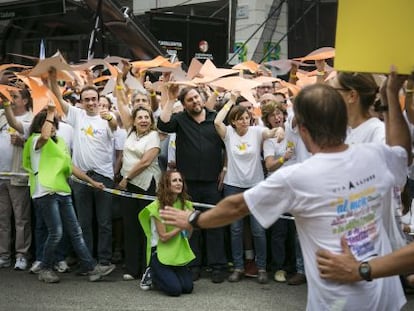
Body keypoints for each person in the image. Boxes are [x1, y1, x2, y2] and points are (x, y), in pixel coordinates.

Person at [159, 70, 412, 310]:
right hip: (385, 296)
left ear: (302, 130)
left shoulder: (297, 177)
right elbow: (402, 152)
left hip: (339, 301)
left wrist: (194, 218)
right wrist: (391, 94)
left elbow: (237, 205)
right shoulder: (377, 155)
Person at [22, 105, 115, 283]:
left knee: (76, 231)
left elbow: (71, 167)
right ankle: (46, 268)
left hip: (62, 191)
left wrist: (92, 182)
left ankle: (91, 268)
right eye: (49, 124)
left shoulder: (60, 143)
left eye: (55, 124)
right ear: (40, 126)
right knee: (56, 232)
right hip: (45, 192)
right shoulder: (35, 141)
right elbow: (44, 136)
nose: (53, 127)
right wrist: (50, 113)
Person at [157, 85, 228, 283]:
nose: (195, 101)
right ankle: (194, 264)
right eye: (190, 100)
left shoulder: (216, 118)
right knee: (190, 225)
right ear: (184, 104)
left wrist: (225, 169)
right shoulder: (180, 120)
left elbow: (228, 146)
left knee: (214, 224)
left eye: (197, 97)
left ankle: (217, 266)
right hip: (188, 184)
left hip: (212, 182)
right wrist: (170, 100)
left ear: (202, 97)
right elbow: (162, 125)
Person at [48, 67, 117, 268]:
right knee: (83, 223)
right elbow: (58, 99)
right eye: (86, 99)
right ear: (81, 101)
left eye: (93, 99)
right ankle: (88, 262)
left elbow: (115, 129)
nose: (90, 103)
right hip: (80, 177)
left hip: (104, 176)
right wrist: (53, 80)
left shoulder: (107, 117)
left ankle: (104, 260)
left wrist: (111, 119)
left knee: (104, 222)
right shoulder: (77, 115)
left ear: (98, 99)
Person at [214, 92, 283, 284]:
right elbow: (217, 122)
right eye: (240, 119)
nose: (245, 121)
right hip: (232, 186)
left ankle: (261, 268)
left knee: (258, 230)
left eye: (247, 118)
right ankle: (238, 267)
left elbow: (270, 132)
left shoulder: (257, 131)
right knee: (235, 230)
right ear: (234, 122)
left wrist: (277, 132)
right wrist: (230, 100)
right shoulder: (228, 133)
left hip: (255, 187)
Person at [114, 78, 161, 281]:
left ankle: (146, 267)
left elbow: (144, 162)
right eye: (140, 117)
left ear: (151, 120)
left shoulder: (154, 136)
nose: (143, 120)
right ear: (133, 121)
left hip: (146, 185)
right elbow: (122, 104)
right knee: (130, 225)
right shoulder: (130, 132)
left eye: (146, 117)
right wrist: (119, 80)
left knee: (145, 227)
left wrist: (125, 178)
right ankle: (132, 268)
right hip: (128, 185)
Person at [138, 170, 194, 296]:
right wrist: (182, 225)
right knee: (175, 290)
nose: (179, 183)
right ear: (166, 184)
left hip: (176, 252)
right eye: (174, 180)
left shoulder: (186, 205)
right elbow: (163, 237)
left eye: (180, 180)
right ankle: (151, 273)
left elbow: (188, 236)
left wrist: (190, 224)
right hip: (159, 253)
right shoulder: (157, 206)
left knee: (187, 288)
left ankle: (168, 274)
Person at [0, 89, 33, 271]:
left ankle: (22, 255)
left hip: (18, 174)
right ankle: (3, 255)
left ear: (26, 100)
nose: (11, 100)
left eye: (15, 97)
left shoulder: (31, 118)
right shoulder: (2, 115)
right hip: (0, 174)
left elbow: (38, 144)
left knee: (21, 218)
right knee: (2, 218)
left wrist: (23, 142)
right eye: (9, 97)